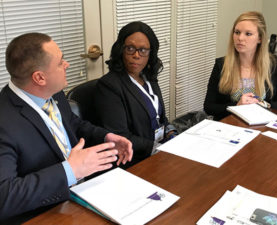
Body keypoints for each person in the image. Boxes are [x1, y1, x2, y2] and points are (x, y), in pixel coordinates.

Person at [0, 33, 133, 224]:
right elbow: (5, 197)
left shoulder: (53, 91)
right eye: (60, 62)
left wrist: (106, 136)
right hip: (45, 213)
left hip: (83, 196)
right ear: (39, 77)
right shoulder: (4, 122)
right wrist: (69, 171)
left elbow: (72, 124)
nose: (67, 64)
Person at [92, 21, 176, 167]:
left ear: (151, 53)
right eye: (130, 48)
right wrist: (158, 149)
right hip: (134, 161)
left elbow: (159, 117)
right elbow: (120, 136)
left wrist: (171, 133)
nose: (136, 55)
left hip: (159, 153)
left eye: (143, 50)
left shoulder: (149, 77)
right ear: (121, 50)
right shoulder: (109, 85)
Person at [204, 11, 277, 121]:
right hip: (229, 126)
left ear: (260, 38)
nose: (240, 38)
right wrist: (236, 106)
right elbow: (208, 107)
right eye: (237, 32)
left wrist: (264, 104)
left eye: (248, 34)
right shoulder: (221, 65)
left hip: (262, 125)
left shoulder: (273, 64)